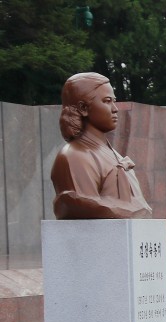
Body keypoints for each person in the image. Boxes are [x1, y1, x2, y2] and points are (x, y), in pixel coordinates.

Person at [50, 72, 153, 220]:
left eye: (114, 101)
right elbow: (81, 206)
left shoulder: (117, 157)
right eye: (107, 101)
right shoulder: (74, 157)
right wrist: (135, 211)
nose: (115, 108)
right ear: (83, 108)